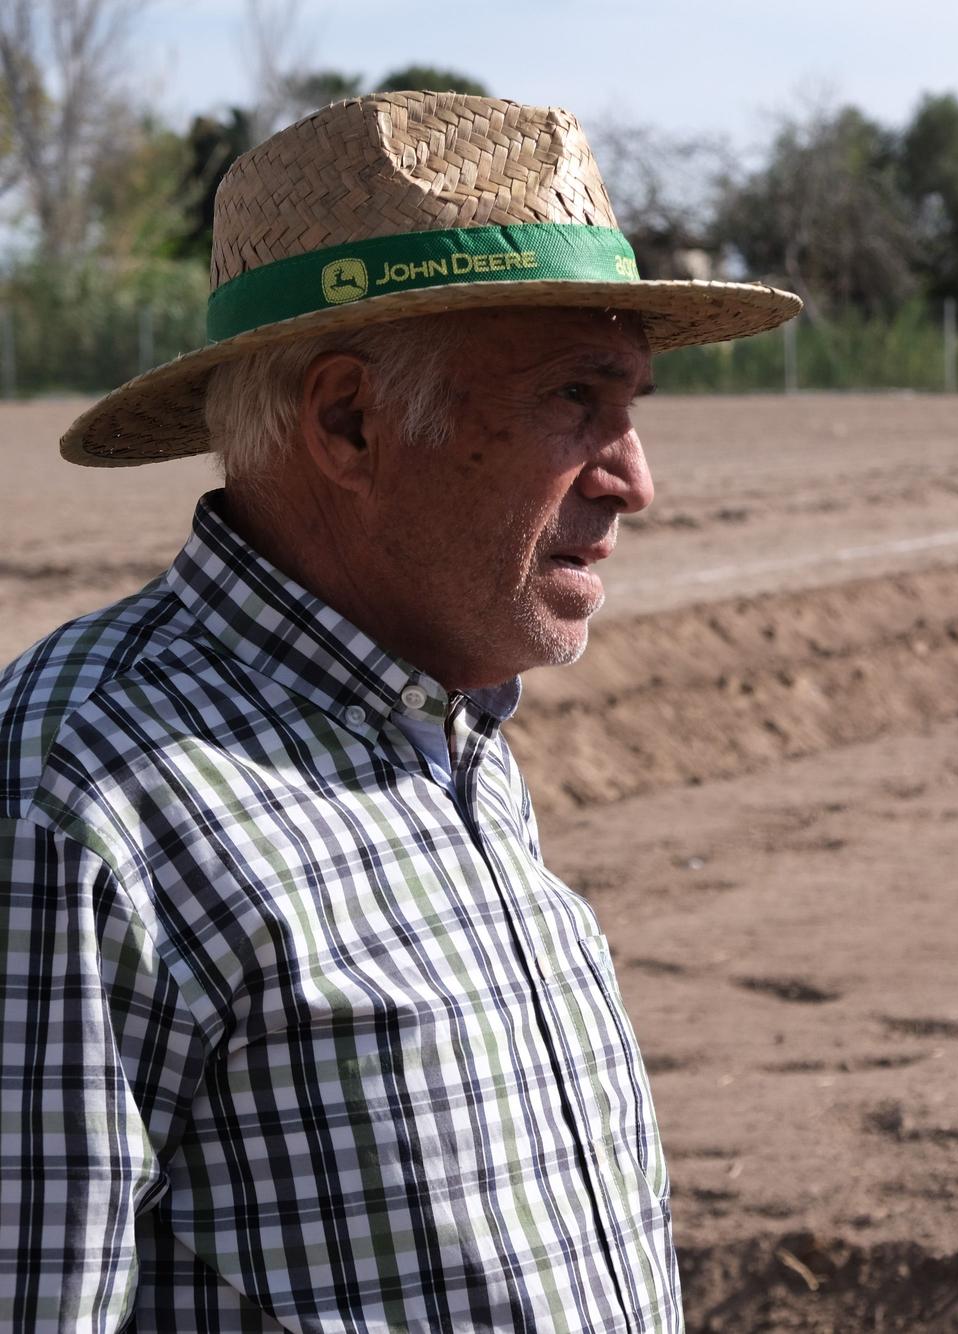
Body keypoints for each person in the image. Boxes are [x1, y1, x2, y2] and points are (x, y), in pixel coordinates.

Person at [0, 91, 798, 1329]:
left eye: (633, 405)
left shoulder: (447, 726)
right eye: (577, 400)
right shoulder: (87, 785)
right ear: (348, 420)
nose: (636, 478)